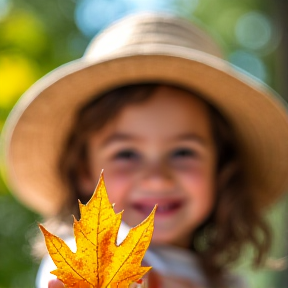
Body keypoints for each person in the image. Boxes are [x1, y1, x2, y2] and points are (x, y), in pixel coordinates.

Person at [2, 13, 288, 288]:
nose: (157, 178)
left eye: (183, 153)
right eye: (126, 154)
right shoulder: (87, 255)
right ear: (83, 170)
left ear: (221, 167)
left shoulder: (227, 281)